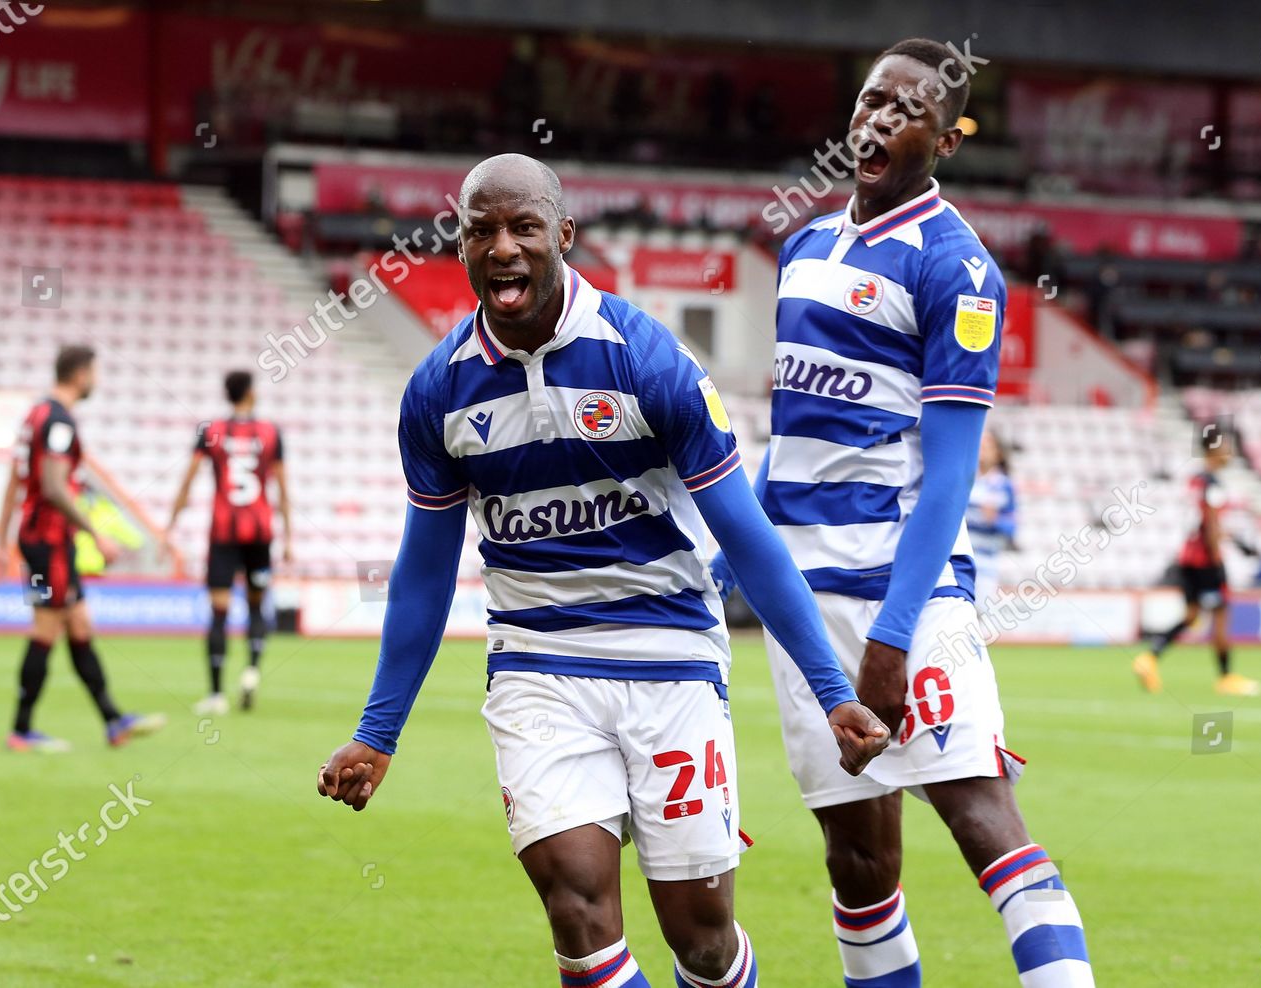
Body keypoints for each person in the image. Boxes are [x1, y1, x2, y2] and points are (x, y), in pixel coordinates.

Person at [316, 153, 889, 988]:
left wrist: (835, 693)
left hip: (671, 661)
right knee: (579, 916)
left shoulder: (648, 361)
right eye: (482, 231)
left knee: (701, 938)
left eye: (524, 228)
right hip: (537, 669)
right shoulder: (438, 393)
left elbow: (749, 537)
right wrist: (378, 731)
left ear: (565, 236)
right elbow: (424, 574)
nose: (503, 248)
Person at [718, 39, 1092, 988]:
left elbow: (951, 477)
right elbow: (792, 440)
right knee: (857, 863)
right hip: (803, 607)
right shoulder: (804, 247)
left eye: (907, 109)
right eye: (870, 101)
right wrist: (731, 564)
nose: (879, 119)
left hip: (904, 595)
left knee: (980, 817)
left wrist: (892, 637)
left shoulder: (958, 269)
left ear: (945, 137)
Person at [0, 345, 165, 751]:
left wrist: (1, 541)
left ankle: (113, 720)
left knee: (80, 625)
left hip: (44, 539)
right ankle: (21, 730)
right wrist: (95, 534)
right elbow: (53, 487)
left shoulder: (35, 415)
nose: (96, 381)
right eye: (95, 373)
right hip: (47, 541)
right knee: (46, 631)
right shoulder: (58, 421)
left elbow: (16, 481)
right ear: (80, 374)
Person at [166, 370, 291, 714]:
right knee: (255, 605)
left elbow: (187, 480)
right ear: (249, 393)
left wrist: (171, 523)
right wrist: (289, 536)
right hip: (261, 534)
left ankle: (217, 695)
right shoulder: (270, 433)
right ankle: (251, 671)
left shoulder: (210, 432)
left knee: (218, 613)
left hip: (223, 535)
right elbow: (282, 487)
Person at [1133, 433, 1261, 696]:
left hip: (1187, 557)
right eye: (1225, 447)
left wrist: (1234, 541)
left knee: (1192, 616)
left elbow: (1200, 523)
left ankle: (1150, 657)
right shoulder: (1212, 483)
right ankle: (1226, 677)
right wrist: (1217, 561)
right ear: (1213, 451)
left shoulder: (1195, 480)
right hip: (1206, 562)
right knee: (1222, 615)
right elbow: (1210, 526)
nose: (1229, 452)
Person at [967, 428, 1017, 614]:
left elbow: (1012, 526)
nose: (982, 450)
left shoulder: (1004, 485)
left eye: (988, 446)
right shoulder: (963, 478)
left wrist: (995, 519)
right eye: (979, 446)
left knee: (978, 615)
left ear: (997, 453)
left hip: (987, 558)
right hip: (960, 556)